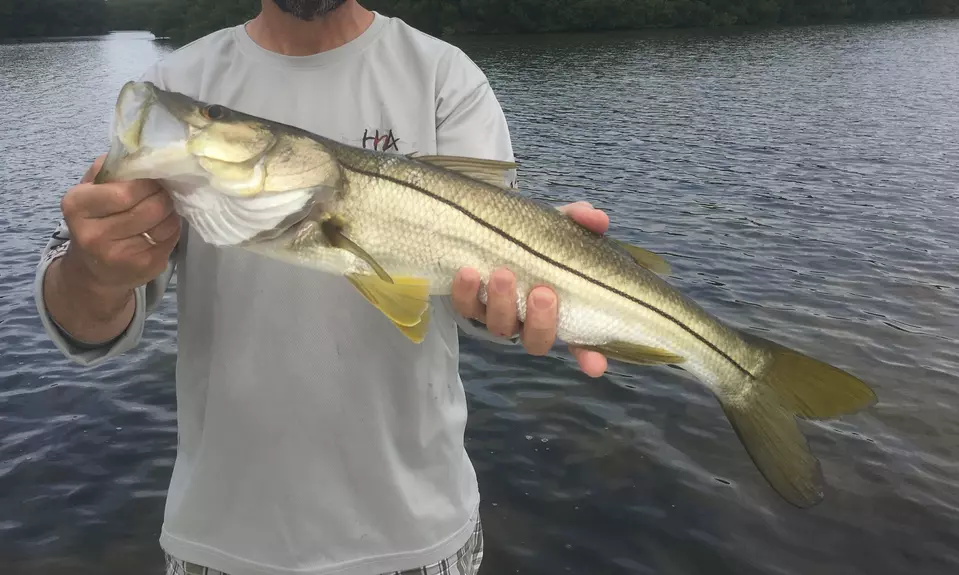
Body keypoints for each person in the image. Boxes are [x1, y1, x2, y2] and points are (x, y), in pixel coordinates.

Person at [34, 1, 611, 574]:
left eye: (208, 117)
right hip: (219, 540)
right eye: (209, 116)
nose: (200, 119)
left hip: (419, 536)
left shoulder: (445, 76)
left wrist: (528, 288)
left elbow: (475, 301)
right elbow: (86, 325)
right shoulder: (175, 85)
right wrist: (94, 271)